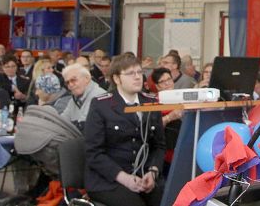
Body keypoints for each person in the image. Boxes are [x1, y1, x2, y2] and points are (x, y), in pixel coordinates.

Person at [84, 54, 165, 206]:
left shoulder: (151, 102)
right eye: (130, 73)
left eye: (140, 72)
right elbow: (93, 153)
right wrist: (123, 178)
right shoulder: (101, 105)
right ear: (116, 79)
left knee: (170, 200)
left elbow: (159, 145)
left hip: (144, 176)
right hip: (109, 179)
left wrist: (153, 172)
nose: (137, 77)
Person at [149, 68, 182, 174]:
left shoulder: (182, 97)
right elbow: (151, 127)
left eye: (169, 79)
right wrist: (169, 117)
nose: (167, 83)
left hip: (182, 148)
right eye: (163, 82)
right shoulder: (153, 102)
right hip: (164, 153)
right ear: (157, 86)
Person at [59, 64, 107, 129]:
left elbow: (84, 127)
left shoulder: (99, 96)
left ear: (87, 78)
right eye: (67, 82)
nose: (70, 85)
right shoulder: (74, 99)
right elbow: (62, 122)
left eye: (73, 80)